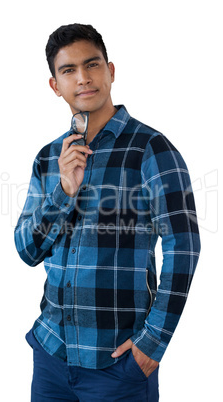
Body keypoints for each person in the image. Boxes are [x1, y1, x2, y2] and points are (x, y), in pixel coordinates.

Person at [14, 23, 201, 401]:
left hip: (118, 366)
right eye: (69, 70)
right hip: (51, 356)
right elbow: (27, 250)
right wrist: (64, 191)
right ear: (55, 85)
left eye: (92, 65)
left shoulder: (152, 149)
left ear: (110, 71)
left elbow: (184, 247)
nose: (83, 78)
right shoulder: (50, 158)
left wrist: (153, 344)